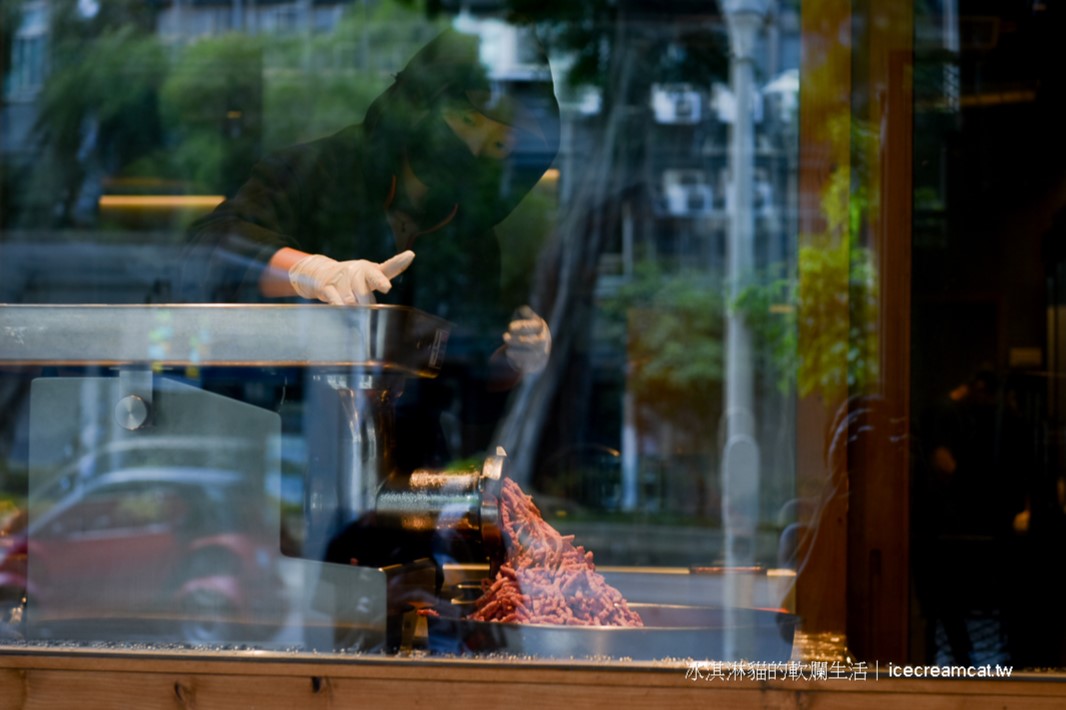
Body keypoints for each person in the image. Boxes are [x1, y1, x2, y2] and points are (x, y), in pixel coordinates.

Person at [181, 28, 561, 472]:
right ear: (420, 104)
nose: (473, 146)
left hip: (404, 473)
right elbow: (206, 251)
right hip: (282, 443)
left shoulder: (472, 241)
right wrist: (309, 272)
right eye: (467, 118)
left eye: (498, 140)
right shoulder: (316, 171)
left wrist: (515, 359)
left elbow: (463, 374)